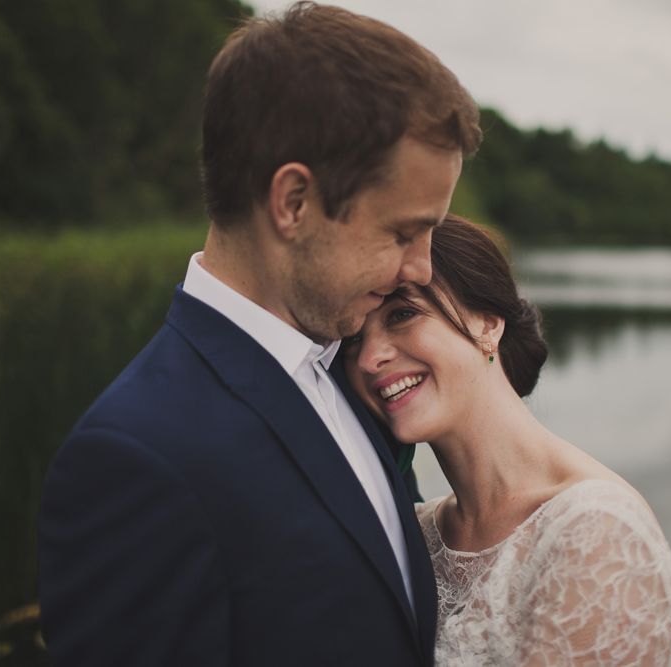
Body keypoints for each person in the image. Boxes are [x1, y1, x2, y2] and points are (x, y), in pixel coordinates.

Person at [38, 3, 481, 666]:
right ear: (293, 202)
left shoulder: (359, 374)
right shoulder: (137, 457)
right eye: (401, 232)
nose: (420, 267)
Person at [343, 214, 671, 665]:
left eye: (403, 315)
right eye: (352, 339)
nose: (370, 358)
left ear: (488, 323)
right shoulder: (416, 533)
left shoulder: (592, 529)